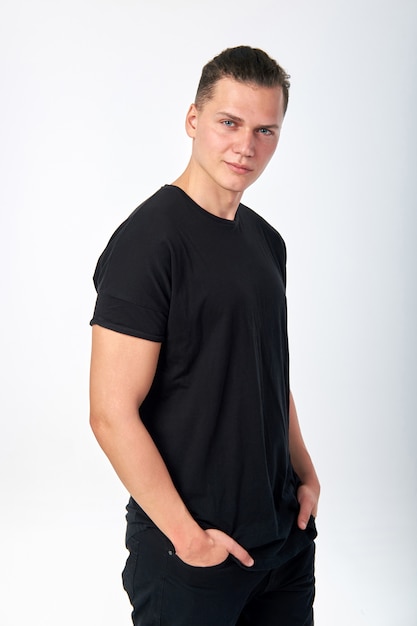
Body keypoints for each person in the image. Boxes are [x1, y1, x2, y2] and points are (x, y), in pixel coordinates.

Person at [89, 45, 320, 626]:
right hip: (190, 553)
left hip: (282, 545)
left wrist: (307, 474)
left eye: (266, 129)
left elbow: (269, 376)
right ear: (193, 120)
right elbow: (111, 413)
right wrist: (190, 540)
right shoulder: (149, 244)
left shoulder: (268, 243)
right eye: (229, 122)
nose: (247, 146)